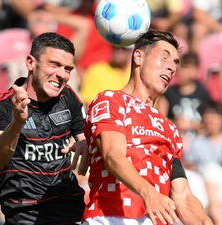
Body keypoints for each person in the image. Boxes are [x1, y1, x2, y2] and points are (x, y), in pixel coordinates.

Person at [83, 30, 212, 225]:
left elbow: (183, 196)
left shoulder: (170, 128)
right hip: (109, 217)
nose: (171, 68)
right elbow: (113, 156)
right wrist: (149, 193)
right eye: (164, 58)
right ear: (138, 57)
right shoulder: (111, 100)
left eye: (176, 63)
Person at [0, 32, 89, 224]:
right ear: (30, 63)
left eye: (68, 69)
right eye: (54, 65)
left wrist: (88, 144)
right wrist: (17, 122)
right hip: (25, 217)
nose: (62, 75)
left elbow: (87, 141)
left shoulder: (69, 97)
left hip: (72, 212)